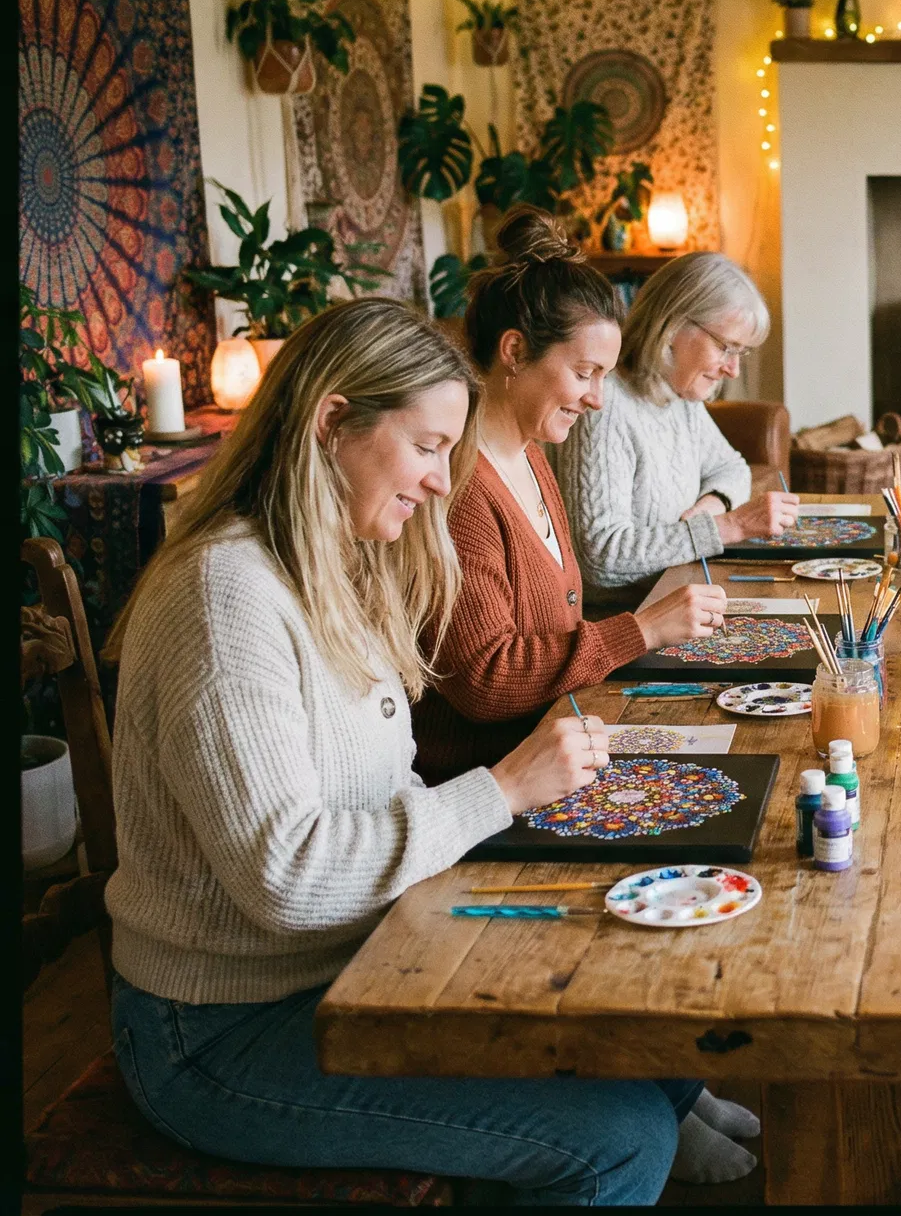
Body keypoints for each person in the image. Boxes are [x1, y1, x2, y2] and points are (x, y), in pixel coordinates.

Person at [99, 298, 747, 1204]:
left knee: (613, 953)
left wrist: (505, 820)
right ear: (332, 424)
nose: (446, 483)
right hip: (218, 1028)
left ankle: (661, 1099)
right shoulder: (224, 596)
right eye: (430, 448)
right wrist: (502, 791)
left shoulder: (337, 561)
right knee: (620, 1141)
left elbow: (384, 778)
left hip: (351, 953)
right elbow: (285, 877)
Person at [412, 207, 727, 787]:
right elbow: (486, 678)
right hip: (485, 783)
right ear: (514, 351)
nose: (598, 398)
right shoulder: (460, 488)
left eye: (604, 375)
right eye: (584, 373)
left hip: (556, 746)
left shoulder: (531, 454)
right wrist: (642, 630)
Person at [557, 249, 800, 608]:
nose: (733, 369)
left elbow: (731, 467)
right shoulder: (606, 406)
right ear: (672, 325)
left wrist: (711, 506)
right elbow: (601, 557)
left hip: (681, 595)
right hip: (629, 618)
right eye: (726, 348)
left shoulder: (678, 395)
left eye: (740, 352)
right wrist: (729, 526)